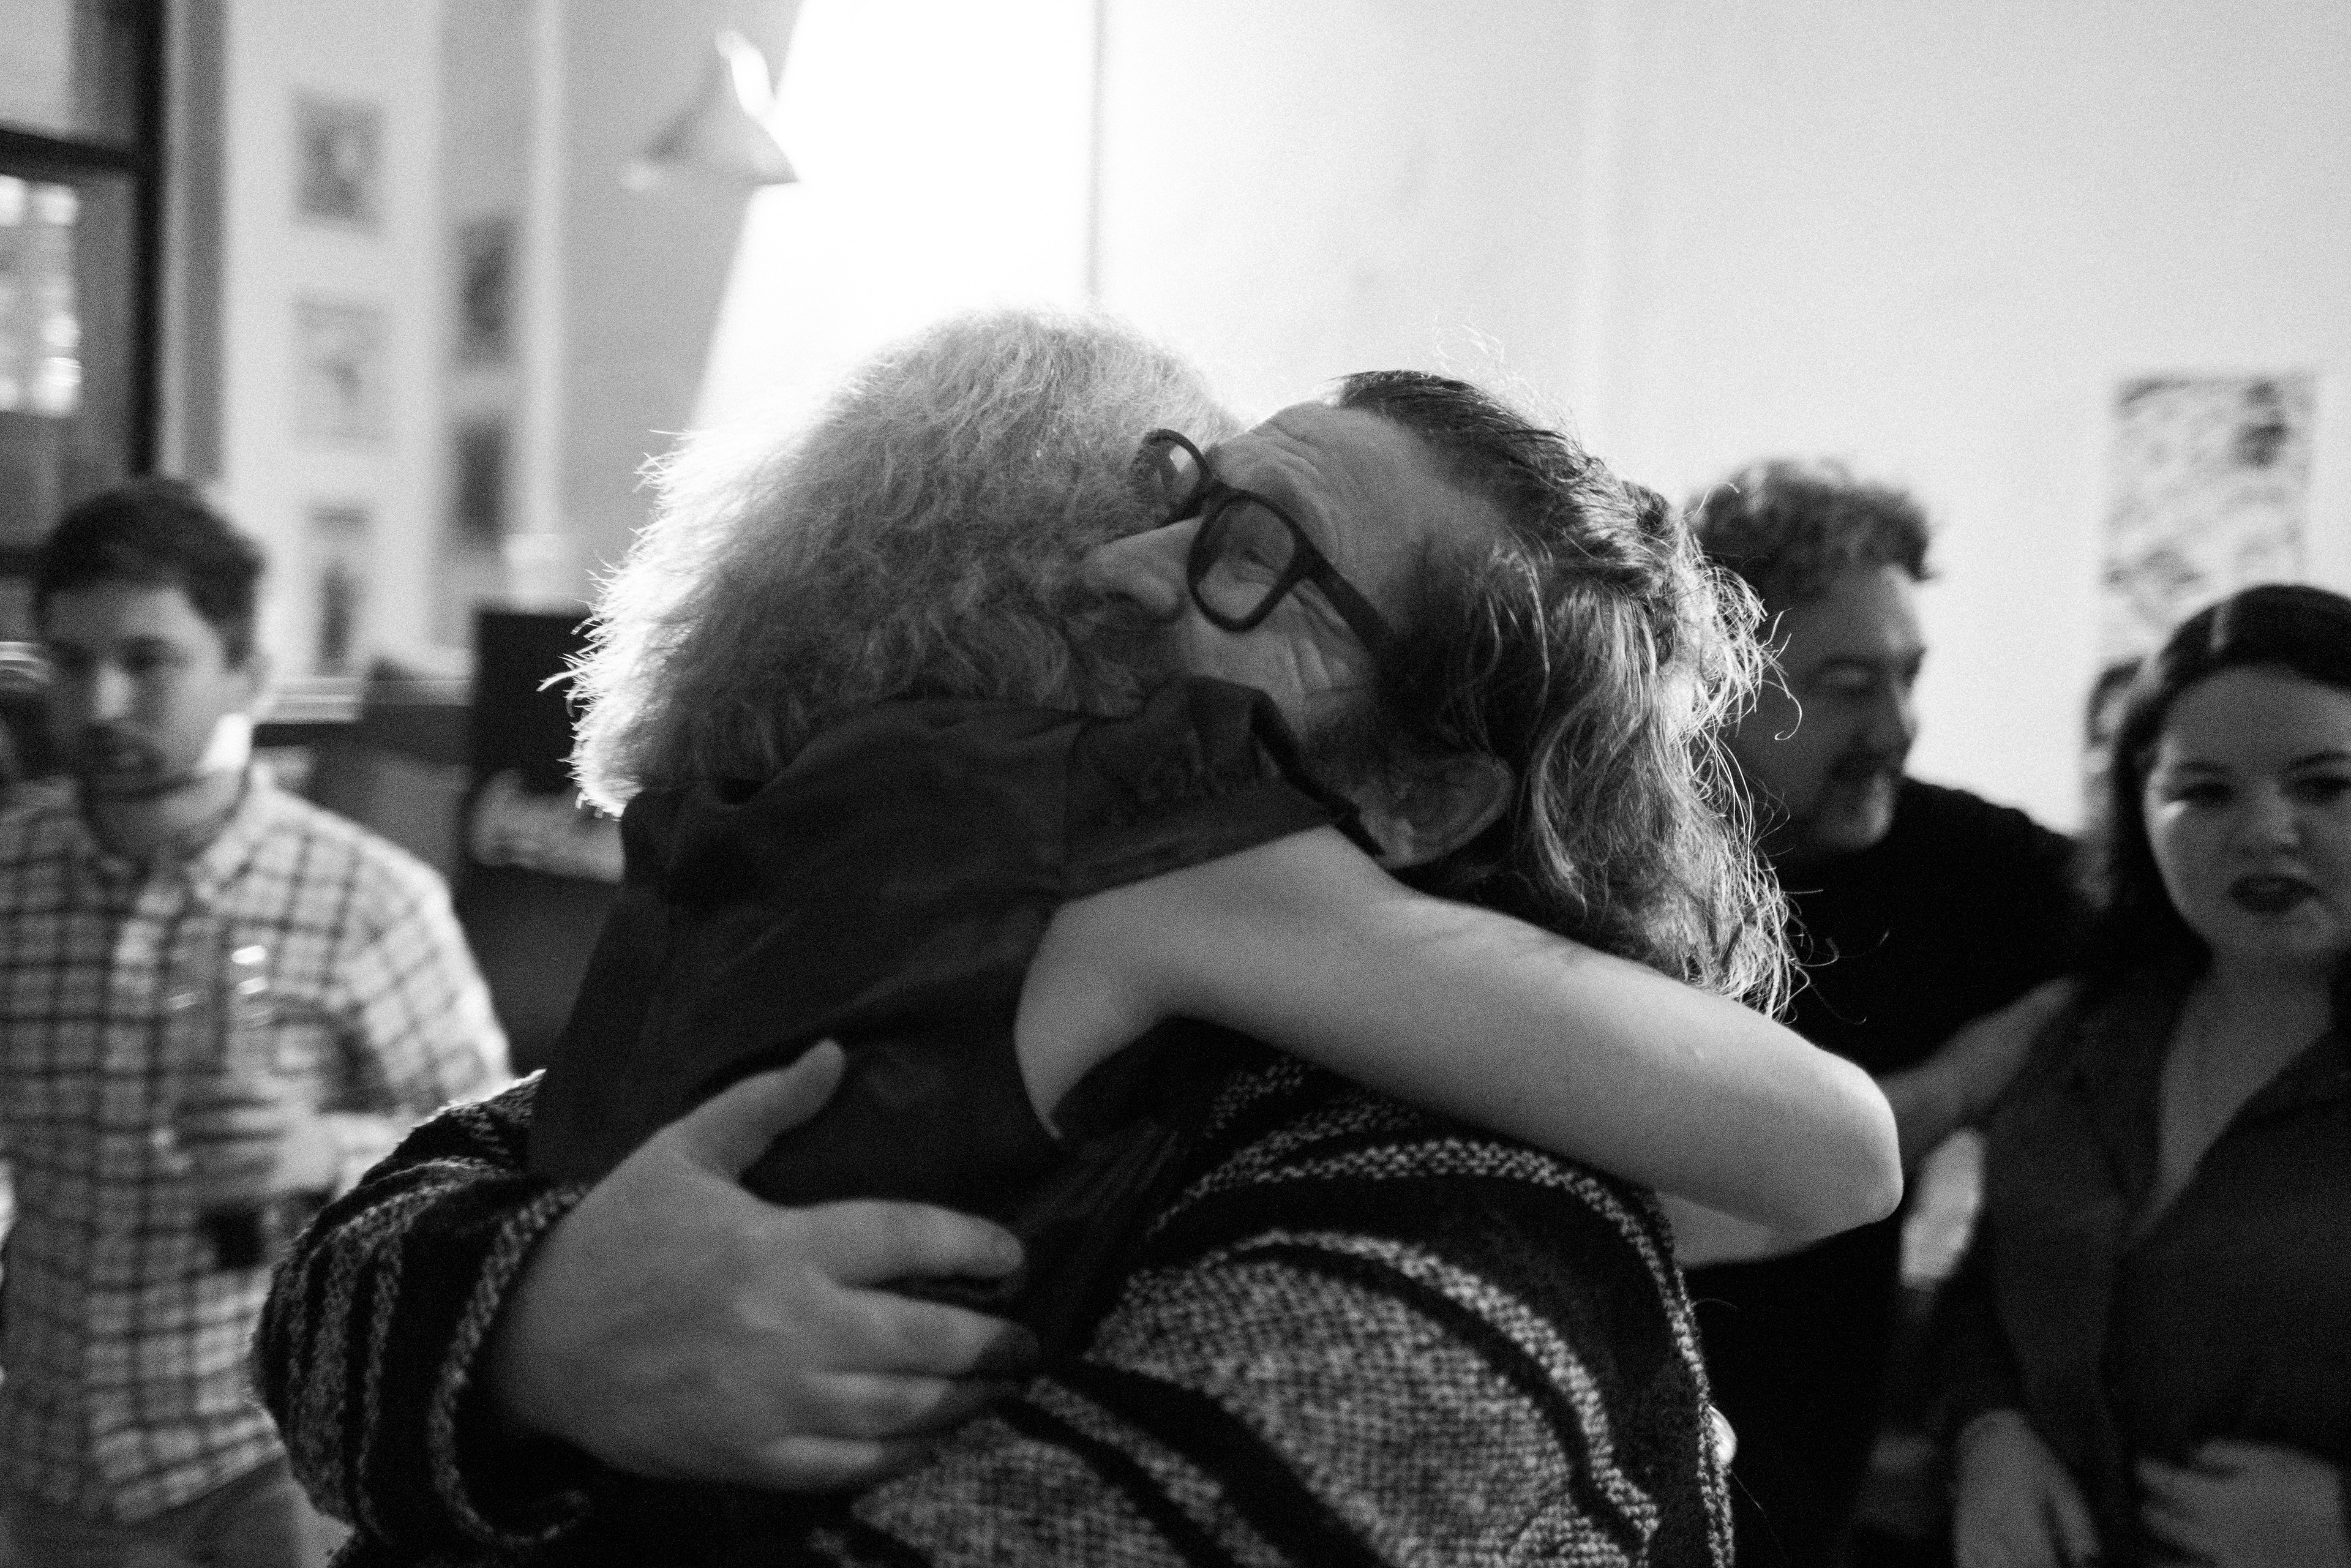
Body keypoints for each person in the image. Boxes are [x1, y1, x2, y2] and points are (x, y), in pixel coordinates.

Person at [259, 312, 1890, 1565]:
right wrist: (541, 1326)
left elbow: (1828, 1152)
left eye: (1255, 556)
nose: (1113, 569)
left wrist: (521, 1357)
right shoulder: (1066, 860)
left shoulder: (1427, 1188)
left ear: (1424, 788)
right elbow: (375, 1253)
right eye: (1195, 497)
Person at [0, 481, 508, 1566]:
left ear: (248, 673)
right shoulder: (10, 881)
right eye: (71, 662)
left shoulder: (367, 896)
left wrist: (326, 1149)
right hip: (47, 1460)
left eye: (147, 660)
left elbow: (494, 1162)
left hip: (270, 1457)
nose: (99, 701)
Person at [1679, 460, 2090, 1567]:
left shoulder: (1954, 862)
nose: (1897, 727)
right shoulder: (1602, 863)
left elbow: (2160, 924)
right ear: (1710, 675)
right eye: (1850, 684)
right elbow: (1711, 1185)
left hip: (1812, 1489)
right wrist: (1958, 1083)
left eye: (1909, 678)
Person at [1938, 583, 2351, 1568]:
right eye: (2204, 792)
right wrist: (1988, 1434)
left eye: (2325, 785)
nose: (2264, 830)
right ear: (2140, 808)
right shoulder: (2088, 1031)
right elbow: (1991, 1289)